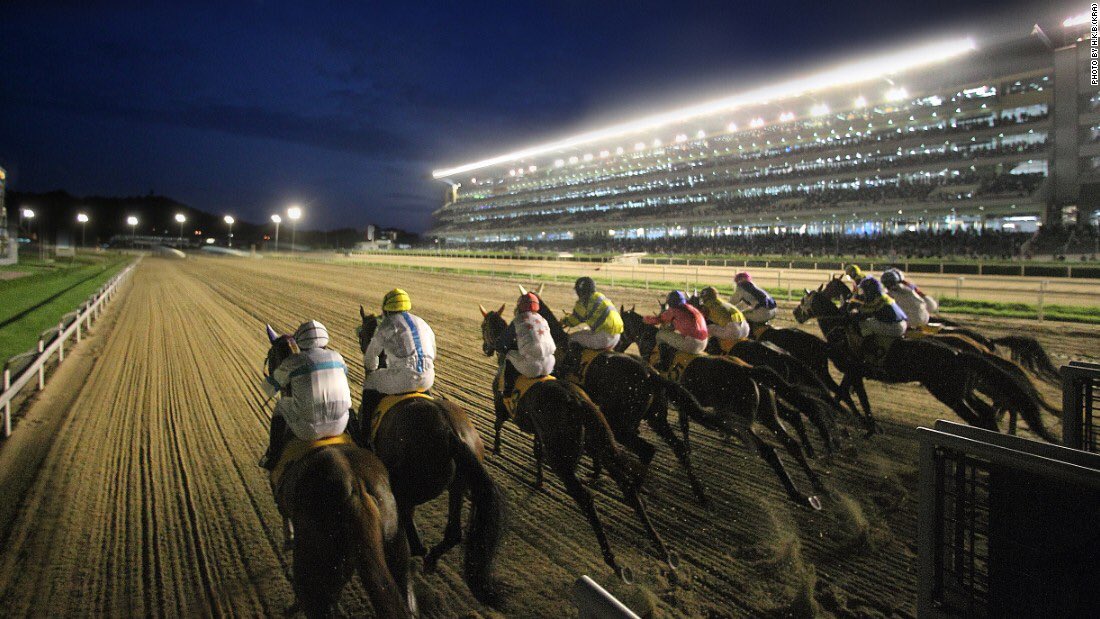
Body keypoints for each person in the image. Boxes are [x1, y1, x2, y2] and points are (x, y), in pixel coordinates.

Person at [260, 320, 352, 470]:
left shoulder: (293, 361)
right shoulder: (337, 357)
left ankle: (273, 455)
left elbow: (268, 389)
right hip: (340, 425)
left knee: (280, 406)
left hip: (308, 431)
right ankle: (360, 439)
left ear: (299, 342)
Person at [360, 289, 436, 419]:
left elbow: (371, 355)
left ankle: (364, 434)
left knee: (370, 383)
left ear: (386, 309)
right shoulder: (422, 322)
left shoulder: (387, 324)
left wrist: (371, 370)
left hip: (403, 380)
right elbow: (433, 353)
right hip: (428, 379)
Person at [495, 292, 556, 396]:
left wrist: (500, 347)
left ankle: (507, 390)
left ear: (520, 306)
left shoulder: (518, 320)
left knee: (509, 355)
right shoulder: (543, 319)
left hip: (531, 368)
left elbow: (503, 342)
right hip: (550, 365)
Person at [644, 290, 708, 371]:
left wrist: (644, 319)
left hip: (692, 345)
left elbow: (657, 320)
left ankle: (664, 364)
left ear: (670, 302)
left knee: (660, 335)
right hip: (704, 343)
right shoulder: (692, 308)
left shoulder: (673, 311)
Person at [561, 276, 624, 350]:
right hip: (616, 337)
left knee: (571, 338)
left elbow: (572, 322)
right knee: (582, 332)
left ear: (580, 291)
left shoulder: (583, 303)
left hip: (604, 338)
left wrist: (563, 320)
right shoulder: (600, 296)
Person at [850, 277, 908, 357]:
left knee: (862, 323)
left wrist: (854, 311)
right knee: (870, 321)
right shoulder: (883, 297)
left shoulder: (878, 300)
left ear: (869, 291)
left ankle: (871, 349)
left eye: (864, 291)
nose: (864, 293)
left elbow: (863, 313)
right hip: (901, 324)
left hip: (895, 327)